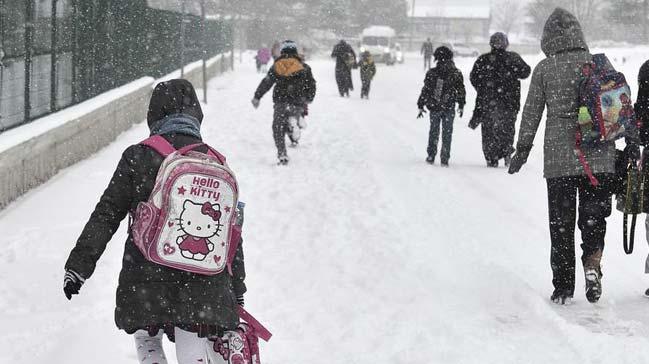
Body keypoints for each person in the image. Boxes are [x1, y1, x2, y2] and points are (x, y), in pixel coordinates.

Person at [63, 79, 248, 363]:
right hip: (203, 281)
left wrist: (78, 267)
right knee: (192, 334)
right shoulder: (215, 162)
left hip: (147, 277)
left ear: (154, 115)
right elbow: (230, 233)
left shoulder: (138, 156)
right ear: (196, 115)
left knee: (147, 338)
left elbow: (108, 212)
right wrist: (238, 290)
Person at [508, 8, 640, 305]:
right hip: (600, 158)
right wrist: (631, 144)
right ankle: (592, 266)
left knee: (562, 224)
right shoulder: (596, 66)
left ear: (548, 38)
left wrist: (522, 150)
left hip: (559, 160)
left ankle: (563, 286)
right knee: (593, 219)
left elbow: (531, 114)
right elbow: (620, 108)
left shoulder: (545, 68)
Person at [469, 32, 531, 168]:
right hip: (510, 102)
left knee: (489, 131)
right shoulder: (513, 58)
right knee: (507, 129)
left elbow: (473, 77)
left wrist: (483, 88)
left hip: (488, 102)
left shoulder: (483, 60)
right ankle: (506, 151)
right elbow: (526, 72)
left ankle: (491, 157)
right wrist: (512, 72)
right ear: (506, 44)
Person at [252, 40, 317, 165]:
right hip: (298, 102)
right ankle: (295, 124)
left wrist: (257, 97)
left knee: (278, 127)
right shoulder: (304, 67)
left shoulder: (277, 65)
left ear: (282, 51)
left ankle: (282, 154)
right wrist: (309, 98)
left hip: (281, 102)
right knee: (293, 117)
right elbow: (311, 84)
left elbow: (267, 82)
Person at [417, 46, 466, 167]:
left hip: (435, 106)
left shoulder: (432, 73)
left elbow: (426, 90)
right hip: (449, 106)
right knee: (447, 133)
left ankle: (431, 155)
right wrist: (461, 104)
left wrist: (421, 103)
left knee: (434, 131)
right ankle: (444, 157)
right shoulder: (456, 73)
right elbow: (461, 90)